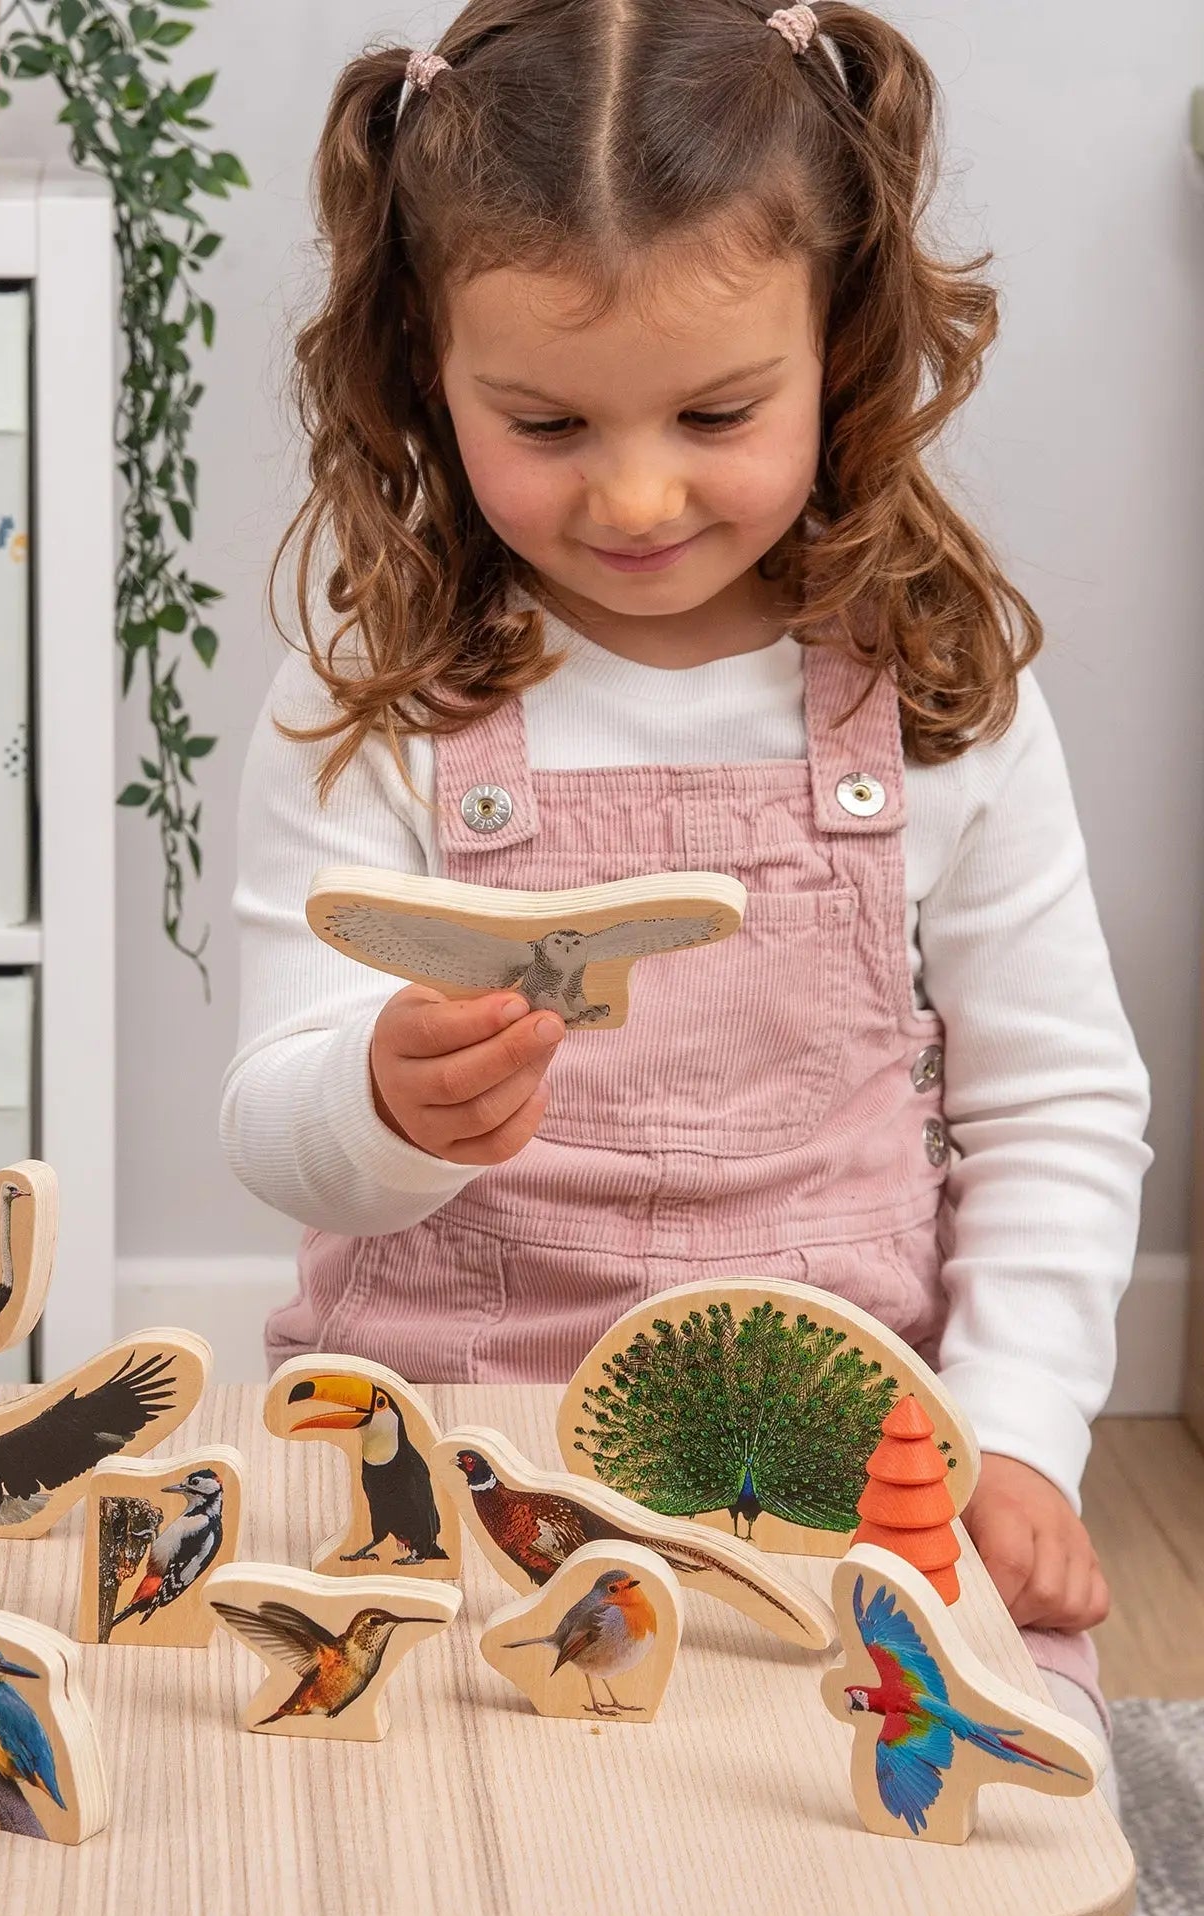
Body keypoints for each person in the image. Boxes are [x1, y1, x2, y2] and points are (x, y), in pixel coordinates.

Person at [220, 0, 1150, 1776]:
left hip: (849, 1460)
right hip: (444, 1442)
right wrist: (378, 1098)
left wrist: (1018, 1433)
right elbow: (273, 1121)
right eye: (548, 421)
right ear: (429, 370)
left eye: (718, 410)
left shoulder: (941, 700)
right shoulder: (371, 704)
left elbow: (1059, 1107)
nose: (637, 493)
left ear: (843, 350)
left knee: (1005, 1798)